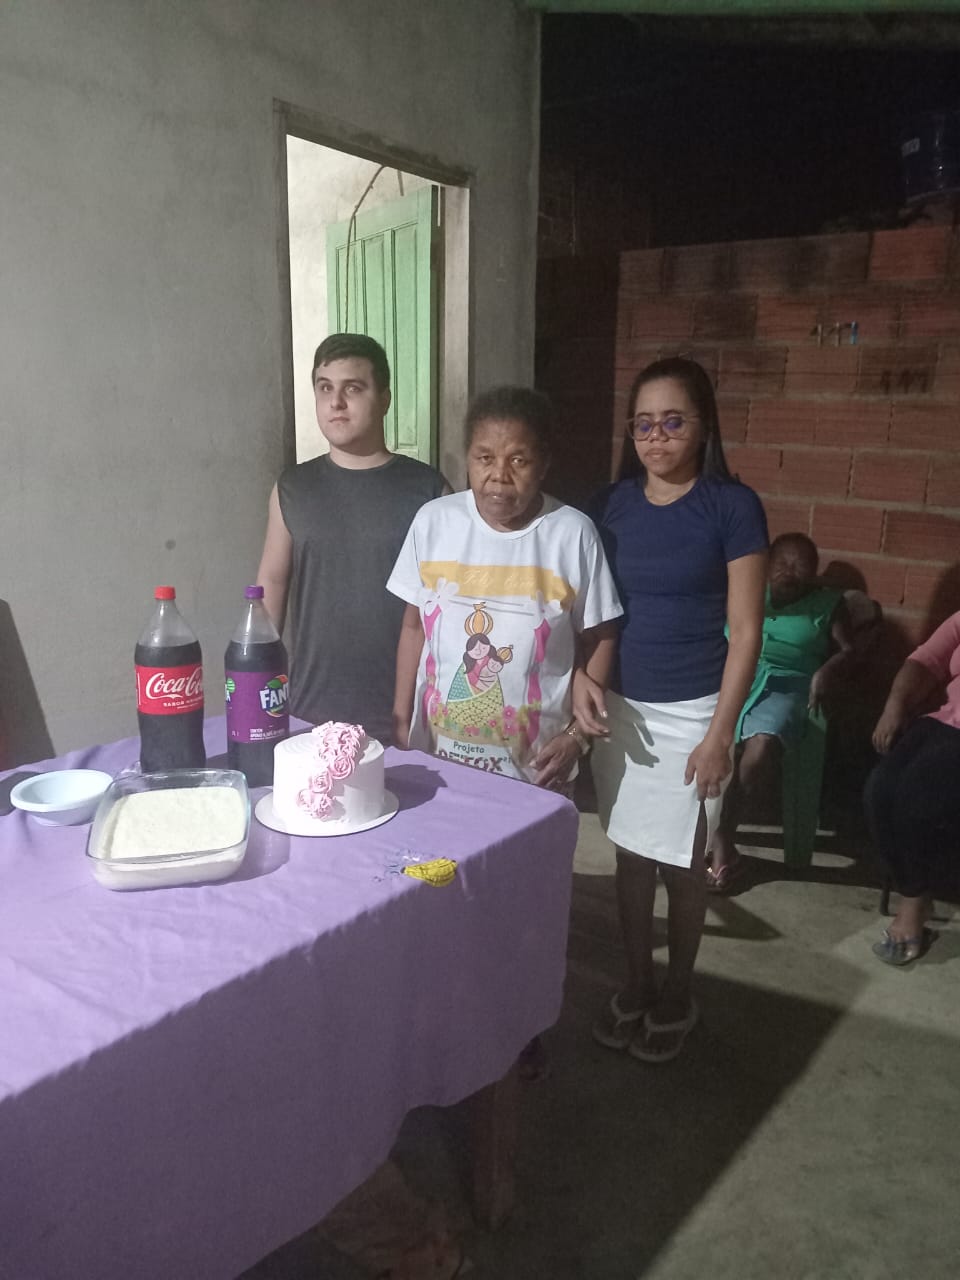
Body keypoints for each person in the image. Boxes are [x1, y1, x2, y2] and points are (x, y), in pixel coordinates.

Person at [581, 356, 767, 1063]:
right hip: (622, 707)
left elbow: (746, 630)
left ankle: (678, 990)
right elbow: (587, 607)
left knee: (686, 865)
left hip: (696, 710)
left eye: (673, 421)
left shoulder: (732, 505)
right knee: (631, 855)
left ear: (703, 425)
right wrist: (580, 678)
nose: (656, 437)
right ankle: (635, 982)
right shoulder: (610, 505)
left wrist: (723, 733)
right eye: (643, 424)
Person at [388, 385, 622, 792]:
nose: (499, 475)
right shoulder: (434, 522)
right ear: (468, 459)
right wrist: (400, 715)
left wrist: (575, 737)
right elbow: (413, 627)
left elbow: (602, 633)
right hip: (438, 766)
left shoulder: (571, 534)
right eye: (484, 458)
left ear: (544, 464)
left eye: (519, 460)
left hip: (534, 771)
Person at [257, 333, 446, 743]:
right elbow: (272, 582)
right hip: (311, 709)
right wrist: (262, 682)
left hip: (406, 712)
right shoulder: (293, 487)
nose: (336, 402)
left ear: (384, 399)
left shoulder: (429, 491)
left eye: (353, 389)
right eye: (325, 388)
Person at [706, 532, 855, 892]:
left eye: (801, 564)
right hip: (733, 675)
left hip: (788, 683)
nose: (790, 571)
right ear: (768, 564)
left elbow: (850, 650)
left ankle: (724, 841)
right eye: (782, 562)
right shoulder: (750, 590)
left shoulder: (829, 603)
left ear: (814, 571)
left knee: (759, 749)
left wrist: (827, 670)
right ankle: (690, 835)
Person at [865, 609, 960, 965]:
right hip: (945, 723)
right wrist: (894, 705)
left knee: (916, 799)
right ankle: (915, 888)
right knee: (880, 790)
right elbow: (925, 660)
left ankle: (913, 904)